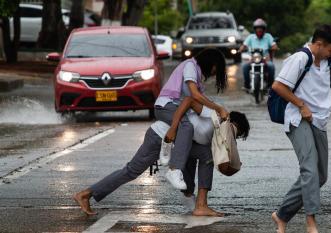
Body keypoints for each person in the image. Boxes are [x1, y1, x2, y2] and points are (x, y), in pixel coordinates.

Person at [72, 97, 250, 216]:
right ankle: (87, 193)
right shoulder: (215, 116)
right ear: (234, 124)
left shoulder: (216, 136)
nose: (234, 139)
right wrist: (173, 128)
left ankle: (200, 205)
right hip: (160, 137)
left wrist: (188, 189)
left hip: (171, 145)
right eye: (237, 134)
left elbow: (194, 156)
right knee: (131, 171)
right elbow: (189, 100)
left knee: (206, 156)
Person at [271, 25, 331, 233]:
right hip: (297, 117)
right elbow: (278, 86)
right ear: (319, 44)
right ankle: (311, 223)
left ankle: (281, 215)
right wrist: (301, 105)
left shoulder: (330, 57)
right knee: (309, 168)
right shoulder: (300, 59)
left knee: (320, 175)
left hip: (319, 118)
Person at [154, 48, 229, 191]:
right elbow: (194, 96)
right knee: (187, 127)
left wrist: (217, 112)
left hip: (178, 108)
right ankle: (174, 169)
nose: (214, 72)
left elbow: (200, 102)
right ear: (210, 62)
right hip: (166, 105)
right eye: (215, 68)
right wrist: (218, 108)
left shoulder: (197, 75)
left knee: (194, 140)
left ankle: (188, 191)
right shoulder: (190, 66)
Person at [238, 18, 278, 90]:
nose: (259, 30)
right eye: (257, 28)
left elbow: (274, 45)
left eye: (261, 28)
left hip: (265, 59)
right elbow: (243, 46)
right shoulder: (250, 37)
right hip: (253, 59)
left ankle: (270, 86)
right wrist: (240, 49)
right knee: (245, 67)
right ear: (255, 29)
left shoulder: (268, 36)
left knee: (271, 66)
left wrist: (274, 48)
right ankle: (247, 85)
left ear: (264, 29)